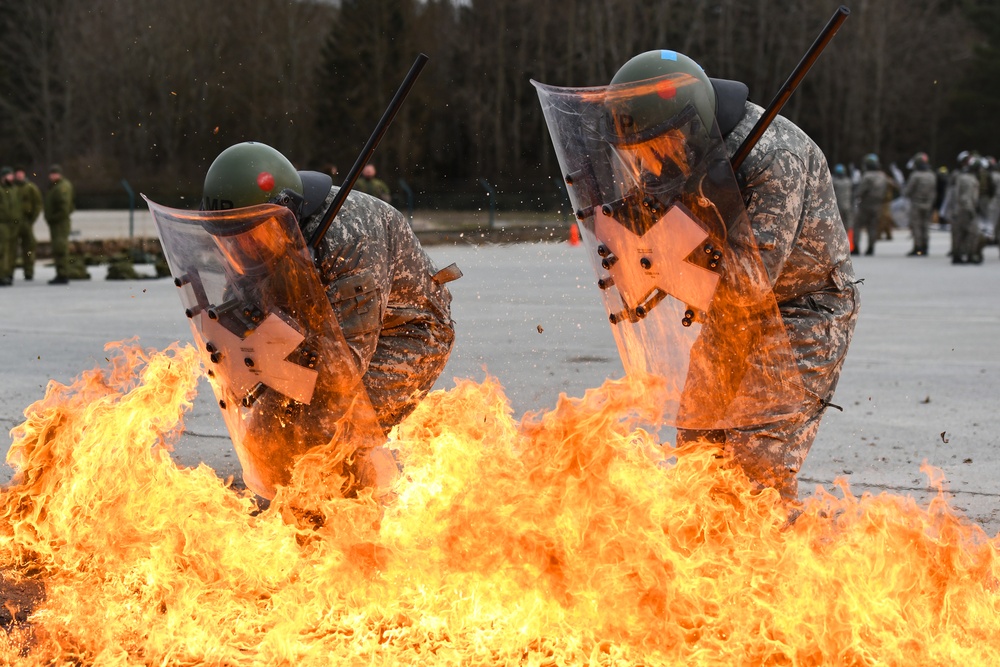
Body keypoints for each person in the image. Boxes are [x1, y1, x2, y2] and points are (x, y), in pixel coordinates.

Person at [540, 51, 859, 502]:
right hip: (730, 314)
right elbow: (646, 214)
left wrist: (663, 261)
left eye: (653, 150)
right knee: (699, 445)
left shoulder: (774, 156)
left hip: (801, 308)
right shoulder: (677, 153)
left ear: (687, 129)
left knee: (756, 464)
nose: (647, 167)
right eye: (634, 155)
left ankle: (771, 563)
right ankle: (707, 564)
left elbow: (748, 283)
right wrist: (629, 243)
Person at [165, 142, 457, 498]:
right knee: (267, 431)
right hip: (315, 335)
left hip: (405, 334)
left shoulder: (350, 235)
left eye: (250, 237)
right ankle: (295, 514)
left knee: (329, 432)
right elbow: (241, 318)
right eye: (230, 239)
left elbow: (345, 370)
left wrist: (285, 341)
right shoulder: (252, 237)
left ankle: (354, 521)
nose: (240, 251)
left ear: (283, 213)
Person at [948, 152, 982, 265]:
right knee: (972, 232)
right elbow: (965, 197)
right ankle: (970, 255)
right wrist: (971, 210)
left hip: (960, 209)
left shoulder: (962, 177)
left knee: (959, 232)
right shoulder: (969, 179)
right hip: (966, 209)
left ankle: (957, 254)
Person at [43, 164, 75, 285]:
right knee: (58, 248)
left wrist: (53, 218)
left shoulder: (62, 187)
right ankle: (61, 272)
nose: (52, 176)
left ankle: (63, 273)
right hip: (57, 222)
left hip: (60, 223)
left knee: (60, 248)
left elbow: (65, 207)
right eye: (51, 174)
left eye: (54, 174)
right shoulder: (55, 186)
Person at [902, 152, 937, 256]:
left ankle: (918, 248)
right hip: (928, 204)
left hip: (916, 204)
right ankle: (925, 248)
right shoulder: (932, 175)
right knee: (925, 226)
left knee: (917, 226)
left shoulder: (915, 175)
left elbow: (908, 191)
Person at [854, 153, 889, 256]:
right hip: (878, 205)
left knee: (857, 225)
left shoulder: (867, 176)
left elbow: (860, 191)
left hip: (866, 205)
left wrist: (856, 195)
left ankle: (856, 247)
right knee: (873, 227)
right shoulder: (883, 176)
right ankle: (871, 247)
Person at [12, 168, 43, 280]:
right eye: (17, 173)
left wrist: (31, 219)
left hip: (26, 221)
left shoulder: (30, 188)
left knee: (29, 247)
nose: (19, 175)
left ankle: (29, 272)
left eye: (21, 173)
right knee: (10, 248)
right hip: (13, 223)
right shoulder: (12, 188)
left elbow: (38, 204)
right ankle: (8, 272)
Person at [0, 168, 15, 286]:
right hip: (2, 224)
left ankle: (6, 274)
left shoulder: (11, 190)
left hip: (10, 224)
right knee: (2, 251)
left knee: (8, 251)